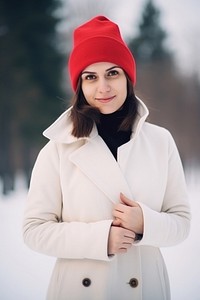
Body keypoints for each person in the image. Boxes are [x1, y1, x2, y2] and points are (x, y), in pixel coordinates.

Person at [23, 15, 191, 300]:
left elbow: (182, 224)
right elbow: (34, 230)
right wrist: (100, 240)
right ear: (80, 86)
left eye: (112, 73)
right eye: (91, 77)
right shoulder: (58, 148)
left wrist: (145, 224)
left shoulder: (160, 142)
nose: (103, 87)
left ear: (128, 77)